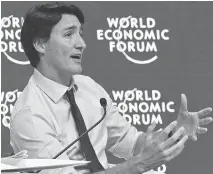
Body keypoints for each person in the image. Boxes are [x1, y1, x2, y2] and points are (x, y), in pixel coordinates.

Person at [10, 2, 212, 174]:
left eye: (80, 33)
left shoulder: (89, 87)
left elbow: (131, 143)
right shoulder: (30, 116)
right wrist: (141, 163)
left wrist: (175, 132)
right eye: (68, 34)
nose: (82, 43)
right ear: (40, 44)